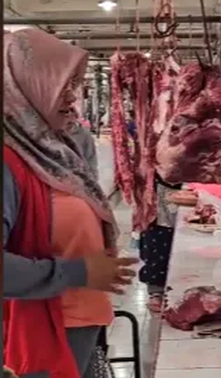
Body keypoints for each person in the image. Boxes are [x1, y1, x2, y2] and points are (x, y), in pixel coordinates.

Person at [3, 29, 139, 378]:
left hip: (75, 318)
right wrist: (79, 272)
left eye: (74, 84)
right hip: (37, 328)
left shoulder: (52, 151)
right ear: (23, 86)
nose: (72, 97)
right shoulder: (8, 161)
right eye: (59, 83)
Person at [139, 173, 182, 313]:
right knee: (158, 239)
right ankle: (156, 290)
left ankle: (184, 287)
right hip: (159, 186)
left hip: (191, 182)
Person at [68, 109, 99, 180]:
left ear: (75, 118)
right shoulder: (56, 132)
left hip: (81, 176)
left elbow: (91, 157)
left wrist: (93, 178)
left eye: (70, 122)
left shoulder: (84, 134)